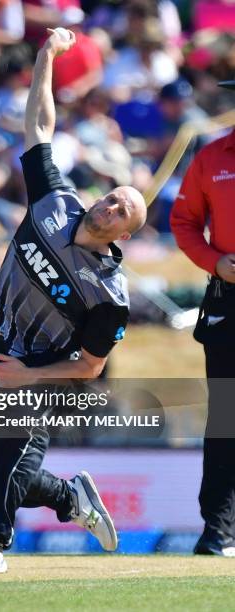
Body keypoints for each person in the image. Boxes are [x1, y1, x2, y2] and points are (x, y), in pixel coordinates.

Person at [0, 28, 147, 574]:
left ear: (125, 234)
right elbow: (40, 127)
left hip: (46, 373)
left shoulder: (109, 295)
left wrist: (29, 375)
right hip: (0, 345)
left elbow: (91, 366)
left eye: (122, 212)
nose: (111, 207)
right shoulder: (55, 204)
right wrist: (47, 56)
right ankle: (73, 498)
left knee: (8, 467)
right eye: (113, 197)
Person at [170, 78, 235, 557]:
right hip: (229, 298)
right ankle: (220, 530)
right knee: (228, 416)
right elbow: (184, 222)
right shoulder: (211, 158)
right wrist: (216, 262)